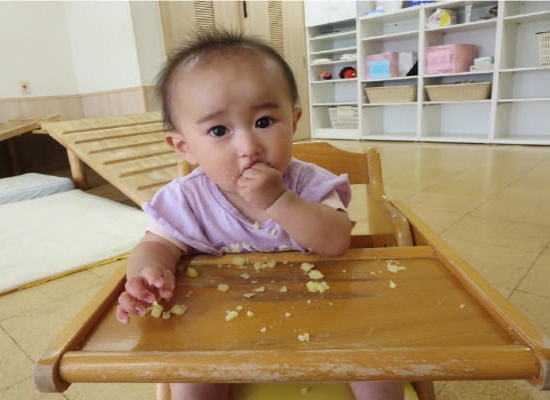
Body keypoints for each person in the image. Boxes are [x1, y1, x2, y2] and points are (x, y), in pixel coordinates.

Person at [115, 30, 403, 400]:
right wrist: (147, 274)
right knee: (189, 374)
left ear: (293, 122)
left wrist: (280, 199)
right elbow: (156, 245)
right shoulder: (186, 199)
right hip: (222, 323)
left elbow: (335, 241)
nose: (248, 147)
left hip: (325, 312)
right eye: (219, 130)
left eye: (264, 122)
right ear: (184, 145)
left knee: (380, 358)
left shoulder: (310, 184)